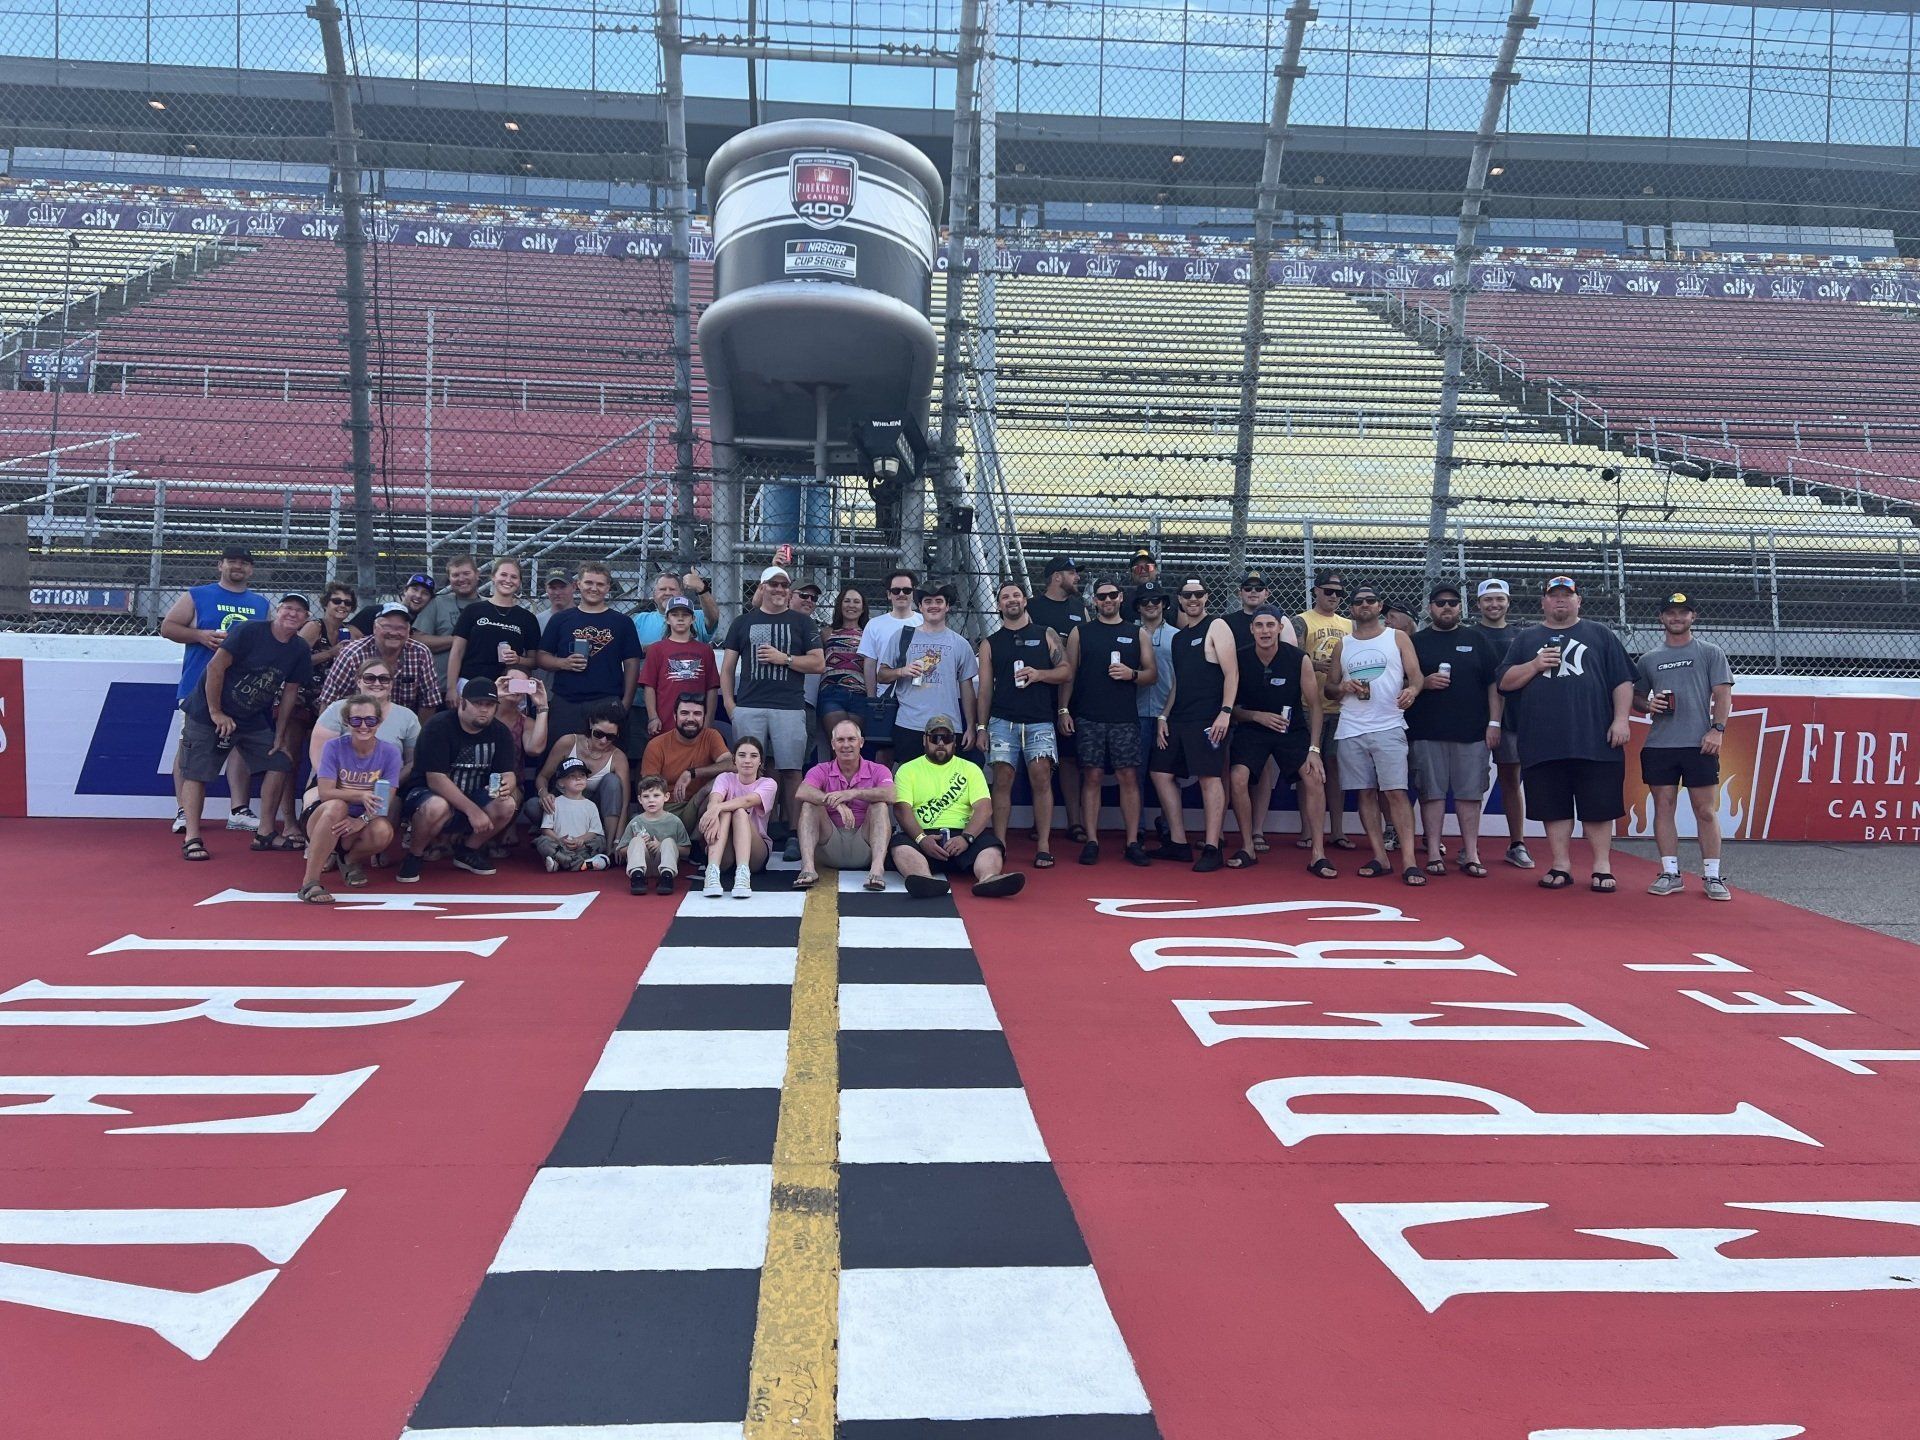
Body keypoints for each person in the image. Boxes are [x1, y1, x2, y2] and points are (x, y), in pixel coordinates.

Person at [1496, 574, 1635, 893]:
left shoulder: (1600, 634)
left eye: (1566, 595)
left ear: (1578, 601)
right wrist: (1533, 665)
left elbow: (1622, 681)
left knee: (1599, 805)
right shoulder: (1527, 639)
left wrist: (1621, 720)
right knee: (1553, 805)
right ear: (1544, 601)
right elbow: (1505, 682)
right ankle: (1560, 864)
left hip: (1595, 738)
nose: (1560, 600)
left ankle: (1602, 865)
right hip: (1543, 739)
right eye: (1553, 595)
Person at [177, 594, 314, 862]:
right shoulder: (249, 630)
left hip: (251, 717)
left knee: (280, 762)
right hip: (207, 712)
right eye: (288, 608)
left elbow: (290, 692)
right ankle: (191, 837)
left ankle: (264, 833)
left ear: (306, 618)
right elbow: (215, 667)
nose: (292, 614)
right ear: (277, 610)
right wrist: (216, 712)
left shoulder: (298, 649)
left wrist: (280, 733)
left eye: (299, 611)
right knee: (197, 772)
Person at [160, 543, 269, 835]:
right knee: (190, 748)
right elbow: (168, 627)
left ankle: (239, 810)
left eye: (244, 563)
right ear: (219, 565)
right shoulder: (197, 595)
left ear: (251, 569)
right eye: (232, 561)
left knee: (240, 749)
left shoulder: (261, 604)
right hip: (198, 685)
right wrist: (199, 635)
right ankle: (184, 810)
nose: (238, 567)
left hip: (243, 692)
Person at [719, 564, 824, 859]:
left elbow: (818, 663)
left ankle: (793, 833)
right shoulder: (743, 622)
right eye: (773, 585)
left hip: (789, 707)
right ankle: (752, 830)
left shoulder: (803, 623)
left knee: (792, 771)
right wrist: (730, 704)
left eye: (783, 585)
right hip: (749, 706)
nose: (779, 590)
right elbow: (727, 669)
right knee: (749, 770)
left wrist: (785, 658)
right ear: (762, 587)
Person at [1635, 591, 1735, 901]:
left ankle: (1713, 876)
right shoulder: (1649, 659)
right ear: (1661, 618)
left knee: (1705, 810)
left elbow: (1723, 695)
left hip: (1699, 743)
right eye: (1670, 613)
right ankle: (1669, 872)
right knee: (1663, 808)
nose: (1677, 618)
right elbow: (1637, 697)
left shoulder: (1710, 652)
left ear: (1693, 617)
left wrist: (1717, 730)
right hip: (1660, 745)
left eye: (1683, 612)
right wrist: (1648, 705)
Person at [1324, 583, 1425, 886]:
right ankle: (1380, 857)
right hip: (1352, 726)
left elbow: (1416, 675)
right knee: (1364, 792)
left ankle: (1409, 860)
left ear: (1380, 607)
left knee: (1395, 792)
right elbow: (1329, 687)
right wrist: (1341, 687)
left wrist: (1412, 690)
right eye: (1358, 602)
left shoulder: (1397, 637)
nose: (1364, 605)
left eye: (1370, 601)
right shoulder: (1344, 644)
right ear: (1351, 609)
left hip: (1389, 725)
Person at [1227, 609, 1334, 877]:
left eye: (1270, 625)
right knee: (1238, 777)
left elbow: (1316, 707)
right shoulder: (1239, 658)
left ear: (1279, 629)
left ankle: (1318, 854)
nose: (1265, 631)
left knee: (1314, 778)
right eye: (1259, 625)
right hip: (1253, 728)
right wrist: (1256, 716)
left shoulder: (1299, 659)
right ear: (1252, 629)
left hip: (1291, 729)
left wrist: (1315, 749)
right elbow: (1230, 708)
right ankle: (1248, 847)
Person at [1408, 582, 1504, 878]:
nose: (1446, 607)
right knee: (1431, 794)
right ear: (1430, 608)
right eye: (1440, 603)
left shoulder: (1476, 639)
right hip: (1426, 729)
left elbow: (1494, 684)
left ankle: (1471, 853)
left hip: (1472, 731)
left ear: (1461, 607)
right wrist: (1425, 682)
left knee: (1469, 795)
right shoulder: (1415, 641)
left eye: (1452, 602)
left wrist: (1494, 722)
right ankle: (1434, 852)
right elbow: (1401, 683)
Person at [1059, 577, 1156, 866]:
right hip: (1088, 717)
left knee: (1128, 778)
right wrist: (1064, 710)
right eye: (1102, 597)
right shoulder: (1081, 632)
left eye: (1113, 595)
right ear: (1095, 601)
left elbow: (1152, 674)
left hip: (1124, 717)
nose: (1108, 600)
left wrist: (1132, 674)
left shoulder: (1137, 633)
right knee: (1092, 777)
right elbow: (1069, 673)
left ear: (1121, 597)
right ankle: (1091, 840)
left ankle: (1132, 842)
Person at [975, 580, 1070, 862]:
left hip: (1040, 720)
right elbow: (984, 690)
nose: (1011, 600)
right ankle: (999, 844)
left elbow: (1065, 671)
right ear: (999, 605)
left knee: (1041, 780)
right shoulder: (990, 643)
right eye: (1005, 597)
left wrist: (1040, 674)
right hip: (1002, 720)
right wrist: (981, 727)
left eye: (1016, 595)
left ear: (1025, 600)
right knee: (1002, 781)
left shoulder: (1046, 634)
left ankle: (1043, 845)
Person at [1148, 578, 1240, 871]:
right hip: (1179, 717)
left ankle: (1213, 847)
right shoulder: (1178, 638)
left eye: (1198, 594)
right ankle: (1178, 842)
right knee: (1160, 772)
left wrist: (1225, 712)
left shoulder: (1217, 626)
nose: (1193, 599)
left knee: (1209, 778)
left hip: (1208, 717)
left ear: (1206, 597)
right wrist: (1164, 715)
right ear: (1180, 599)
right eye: (1187, 595)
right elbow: (1178, 682)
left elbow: (1232, 673)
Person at [887, 715, 1026, 900]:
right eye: (935, 738)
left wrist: (966, 838)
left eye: (947, 738)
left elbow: (984, 808)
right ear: (924, 740)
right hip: (923, 835)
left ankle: (989, 879)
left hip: (963, 835)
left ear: (954, 742)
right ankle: (923, 879)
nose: (941, 743)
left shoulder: (971, 769)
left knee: (991, 845)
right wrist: (922, 839)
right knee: (899, 845)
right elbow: (901, 809)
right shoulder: (907, 769)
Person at [398, 678, 521, 883]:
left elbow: (506, 772)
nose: (484, 710)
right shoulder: (438, 726)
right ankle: (414, 854)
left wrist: (509, 781)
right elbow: (436, 779)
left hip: (475, 792)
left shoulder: (500, 732)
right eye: (478, 704)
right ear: (462, 703)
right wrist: (473, 811)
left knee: (507, 803)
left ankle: (467, 850)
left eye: (489, 705)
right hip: (428, 793)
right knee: (438, 805)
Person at [296, 691, 401, 903]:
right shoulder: (333, 747)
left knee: (382, 830)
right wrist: (360, 795)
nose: (364, 726)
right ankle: (310, 882)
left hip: (360, 821)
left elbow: (385, 801)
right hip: (323, 818)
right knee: (336, 806)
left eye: (370, 720)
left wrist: (360, 821)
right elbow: (325, 793)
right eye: (356, 720)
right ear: (347, 722)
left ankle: (349, 860)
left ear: (379, 722)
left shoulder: (390, 753)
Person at [538, 561, 642, 743]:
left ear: (608, 587)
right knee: (560, 760)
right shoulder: (560, 619)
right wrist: (563, 663)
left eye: (600, 584)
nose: (594, 588)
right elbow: (542, 656)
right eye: (589, 583)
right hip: (566, 701)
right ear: (578, 585)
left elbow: (632, 663)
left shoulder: (622, 622)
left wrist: (625, 703)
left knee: (607, 759)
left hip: (607, 701)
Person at [877, 581, 978, 767]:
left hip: (948, 725)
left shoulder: (960, 643)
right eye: (928, 601)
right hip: (909, 723)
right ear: (920, 607)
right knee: (910, 781)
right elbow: (881, 675)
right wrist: (901, 671)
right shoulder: (902, 636)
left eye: (939, 601)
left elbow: (967, 688)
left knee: (943, 781)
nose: (933, 606)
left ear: (947, 606)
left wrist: (971, 726)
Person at [1025, 555, 1090, 845]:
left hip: (1073, 694)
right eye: (1071, 572)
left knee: (1069, 758)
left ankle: (1075, 822)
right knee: (1038, 759)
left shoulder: (1080, 608)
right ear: (1055, 576)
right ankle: (1040, 824)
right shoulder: (1033, 607)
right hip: (1037, 693)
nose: (1077, 577)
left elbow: (1085, 647)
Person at [793, 716, 895, 892]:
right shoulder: (821, 769)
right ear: (832, 744)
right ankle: (808, 869)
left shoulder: (878, 769)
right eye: (840, 740)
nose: (846, 745)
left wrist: (853, 793)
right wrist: (835, 802)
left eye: (851, 739)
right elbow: (802, 791)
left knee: (880, 805)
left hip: (865, 845)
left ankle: (877, 870)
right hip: (828, 845)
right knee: (809, 804)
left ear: (861, 742)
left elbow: (892, 795)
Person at [1294, 571, 1356, 854]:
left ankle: (1338, 830)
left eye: (1338, 593)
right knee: (1309, 770)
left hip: (1342, 707)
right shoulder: (1302, 621)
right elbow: (1293, 658)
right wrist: (1319, 667)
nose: (1333, 597)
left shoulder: (1349, 624)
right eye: (1328, 591)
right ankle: (1308, 828)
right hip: (1310, 706)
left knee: (1335, 770)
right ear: (1316, 591)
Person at [1474, 577, 1533, 869]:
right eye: (1488, 599)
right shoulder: (1468, 635)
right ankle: (1469, 849)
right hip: (1472, 720)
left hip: (1512, 721)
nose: (1494, 604)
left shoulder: (1522, 637)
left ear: (1508, 602)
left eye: (1499, 599)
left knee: (1511, 780)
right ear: (1479, 604)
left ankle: (1517, 843)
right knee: (1468, 785)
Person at [320, 602, 445, 715]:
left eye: (400, 628)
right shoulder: (351, 654)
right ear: (374, 628)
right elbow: (329, 701)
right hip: (357, 725)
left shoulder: (421, 653)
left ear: (408, 632)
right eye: (386, 626)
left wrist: (418, 738)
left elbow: (429, 701)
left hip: (402, 727)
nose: (394, 632)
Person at [533, 701, 632, 842]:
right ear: (591, 724)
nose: (604, 741)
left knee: (613, 782)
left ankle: (607, 843)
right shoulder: (568, 742)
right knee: (532, 807)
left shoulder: (618, 757)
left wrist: (617, 841)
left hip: (595, 812)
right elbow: (543, 776)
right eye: (598, 734)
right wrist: (544, 794)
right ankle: (555, 835)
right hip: (563, 805)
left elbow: (624, 802)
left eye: (610, 737)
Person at [447, 557, 542, 696]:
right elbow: (457, 652)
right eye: (503, 575)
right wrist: (451, 689)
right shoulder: (473, 610)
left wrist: (518, 659)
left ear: (519, 582)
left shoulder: (527, 618)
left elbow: (535, 662)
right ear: (493, 577)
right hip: (471, 682)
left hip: (509, 686)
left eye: (514, 577)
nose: (508, 580)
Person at [642, 695, 734, 835]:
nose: (690, 719)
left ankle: (697, 843)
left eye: (697, 714)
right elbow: (648, 790)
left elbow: (732, 765)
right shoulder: (657, 745)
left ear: (704, 717)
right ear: (675, 716)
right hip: (667, 810)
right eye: (684, 713)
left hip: (700, 807)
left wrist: (691, 773)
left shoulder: (711, 736)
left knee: (724, 780)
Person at [858, 569, 923, 762]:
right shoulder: (875, 624)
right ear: (888, 595)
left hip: (917, 698)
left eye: (906, 590)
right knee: (884, 751)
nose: (901, 594)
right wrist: (872, 699)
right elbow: (870, 664)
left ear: (913, 592)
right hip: (886, 698)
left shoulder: (924, 621)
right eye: (896, 591)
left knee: (914, 754)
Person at [700, 734, 777, 898]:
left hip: (755, 853)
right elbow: (714, 799)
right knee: (725, 811)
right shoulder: (725, 777)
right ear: (734, 759)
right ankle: (712, 871)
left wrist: (717, 808)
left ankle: (743, 874)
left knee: (739, 811)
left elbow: (748, 800)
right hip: (726, 854)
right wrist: (715, 809)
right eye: (742, 755)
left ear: (760, 761)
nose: (747, 760)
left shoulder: (768, 783)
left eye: (753, 756)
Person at [636, 595, 718, 741]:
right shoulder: (656, 649)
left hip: (696, 724)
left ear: (693, 619)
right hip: (664, 723)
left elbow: (711, 689)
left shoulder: (705, 650)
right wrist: (653, 717)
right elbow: (649, 687)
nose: (680, 619)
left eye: (685, 615)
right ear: (667, 619)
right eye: (674, 615)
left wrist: (708, 721)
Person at [1133, 585, 1177, 842]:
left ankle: (1169, 824)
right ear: (1138, 606)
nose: (1151, 604)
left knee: (1167, 773)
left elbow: (1180, 679)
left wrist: (1167, 714)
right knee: (1134, 772)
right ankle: (1136, 827)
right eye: (1145, 601)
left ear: (1164, 604)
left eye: (1156, 600)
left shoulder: (1177, 636)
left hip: (1166, 713)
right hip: (1135, 712)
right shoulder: (1127, 633)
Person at [412, 556, 482, 689]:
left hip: (480, 688)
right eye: (455, 575)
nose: (461, 579)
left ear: (477, 574)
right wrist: (460, 639)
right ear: (449, 579)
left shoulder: (489, 605)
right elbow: (417, 640)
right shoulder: (438, 603)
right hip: (440, 687)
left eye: (466, 573)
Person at [617, 775, 693, 896]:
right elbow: (621, 850)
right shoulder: (635, 822)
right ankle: (637, 877)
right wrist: (639, 845)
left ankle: (667, 877)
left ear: (666, 797)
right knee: (636, 840)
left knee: (668, 841)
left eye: (656, 795)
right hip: (643, 865)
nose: (651, 800)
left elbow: (686, 850)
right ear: (640, 799)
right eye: (646, 796)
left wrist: (661, 845)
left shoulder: (674, 821)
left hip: (663, 863)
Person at [818, 585, 874, 743]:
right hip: (832, 693)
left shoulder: (869, 634)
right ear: (840, 605)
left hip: (860, 695)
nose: (851, 605)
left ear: (863, 608)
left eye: (856, 602)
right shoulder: (827, 633)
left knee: (853, 746)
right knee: (838, 743)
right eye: (847, 601)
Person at [536, 757, 612, 873]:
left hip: (582, 847)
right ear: (561, 782)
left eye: (582, 775)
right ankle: (583, 863)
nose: (578, 778)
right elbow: (546, 829)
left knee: (600, 841)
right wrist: (558, 840)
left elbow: (595, 831)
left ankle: (561, 862)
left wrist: (580, 840)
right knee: (542, 841)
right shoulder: (554, 802)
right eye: (572, 776)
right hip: (560, 845)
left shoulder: (591, 805)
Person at [632, 569, 718, 646]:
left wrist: (701, 587)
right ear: (654, 595)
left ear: (681, 594)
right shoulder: (640, 620)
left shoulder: (694, 616)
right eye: (662, 589)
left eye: (672, 589)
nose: (667, 593)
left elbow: (713, 617)